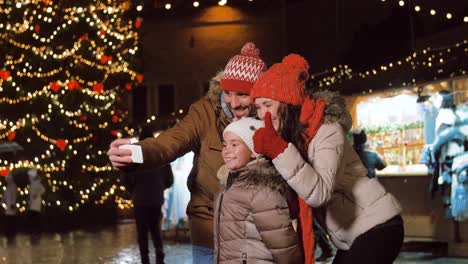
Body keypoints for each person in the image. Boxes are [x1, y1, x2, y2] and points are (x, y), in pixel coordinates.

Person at [107, 42, 266, 263]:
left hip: (257, 234)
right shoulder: (205, 112)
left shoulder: (270, 117)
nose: (233, 102)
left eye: (242, 95)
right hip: (210, 230)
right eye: (228, 93)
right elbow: (172, 140)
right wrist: (136, 152)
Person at [250, 54, 404, 264]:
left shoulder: (327, 131)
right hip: (351, 235)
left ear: (287, 104)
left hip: (378, 227)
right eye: (258, 107)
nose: (262, 114)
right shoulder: (291, 139)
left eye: (268, 105)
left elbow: (319, 193)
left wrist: (278, 150)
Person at [214, 117, 302, 263]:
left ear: (253, 152)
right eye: (224, 145)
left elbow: (283, 246)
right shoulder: (231, 185)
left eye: (234, 144)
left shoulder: (263, 191)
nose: (227, 151)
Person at [120, 126, 174, 264]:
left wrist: (134, 190)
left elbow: (125, 178)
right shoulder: (160, 154)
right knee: (155, 228)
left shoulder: (133, 156)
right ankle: (159, 252)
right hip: (156, 198)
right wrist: (160, 187)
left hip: (140, 200)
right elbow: (169, 180)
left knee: (142, 231)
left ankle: (145, 258)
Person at [27, 168, 45, 241]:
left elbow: (42, 189)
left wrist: (36, 194)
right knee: (33, 219)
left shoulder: (37, 183)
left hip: (36, 205)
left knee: (36, 219)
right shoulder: (32, 183)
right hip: (32, 205)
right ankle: (34, 233)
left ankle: (37, 233)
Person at [2, 172, 18, 243]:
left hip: (11, 207)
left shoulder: (13, 186)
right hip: (7, 208)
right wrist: (1, 202)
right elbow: (4, 196)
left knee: (11, 220)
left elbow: (14, 196)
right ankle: (9, 234)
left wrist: (12, 204)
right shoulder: (8, 187)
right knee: (8, 220)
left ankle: (12, 235)